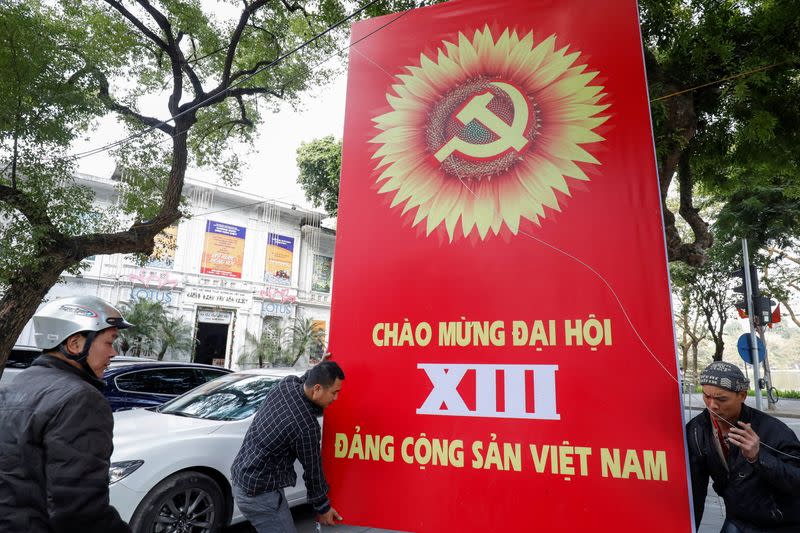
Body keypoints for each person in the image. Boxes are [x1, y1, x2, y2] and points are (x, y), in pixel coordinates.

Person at [0, 295, 133, 533]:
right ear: (75, 344)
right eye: (109, 342)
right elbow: (80, 511)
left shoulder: (16, 385)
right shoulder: (80, 399)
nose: (113, 353)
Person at [231, 360, 345, 532]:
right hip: (260, 494)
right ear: (317, 389)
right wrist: (323, 507)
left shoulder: (287, 384)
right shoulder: (305, 426)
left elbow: (307, 378)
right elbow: (313, 471)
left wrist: (321, 367)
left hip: (243, 478)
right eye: (334, 392)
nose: (336, 398)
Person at [686, 361, 800, 532]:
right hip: (738, 519)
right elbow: (695, 488)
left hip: (781, 522)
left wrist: (758, 457)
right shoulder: (697, 429)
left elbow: (796, 480)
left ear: (742, 395)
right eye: (706, 396)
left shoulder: (774, 430)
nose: (712, 406)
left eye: (721, 399)